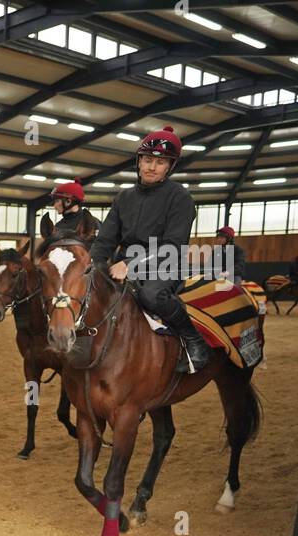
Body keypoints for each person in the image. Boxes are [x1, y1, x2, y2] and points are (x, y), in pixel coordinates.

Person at [91, 125, 209, 373]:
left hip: (165, 265)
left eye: (160, 162)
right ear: (139, 161)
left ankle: (193, 340)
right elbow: (105, 240)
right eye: (147, 160)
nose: (151, 167)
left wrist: (132, 265)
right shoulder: (123, 198)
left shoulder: (180, 198)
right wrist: (91, 265)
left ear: (170, 166)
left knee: (151, 296)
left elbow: (173, 246)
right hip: (122, 265)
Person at [46, 179, 100, 244]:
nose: (54, 206)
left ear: (68, 201)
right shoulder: (58, 226)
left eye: (57, 201)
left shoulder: (93, 223)